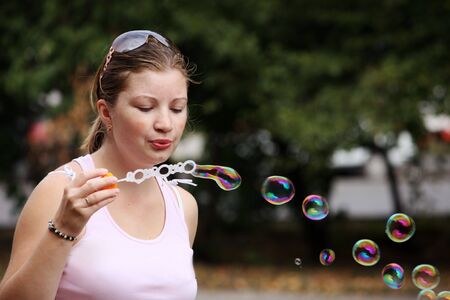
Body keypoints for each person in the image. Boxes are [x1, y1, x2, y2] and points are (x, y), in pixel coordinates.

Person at [0, 30, 198, 300]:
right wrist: (63, 230)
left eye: (177, 108)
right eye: (145, 107)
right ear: (106, 112)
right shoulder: (61, 190)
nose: (165, 123)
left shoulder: (183, 205)